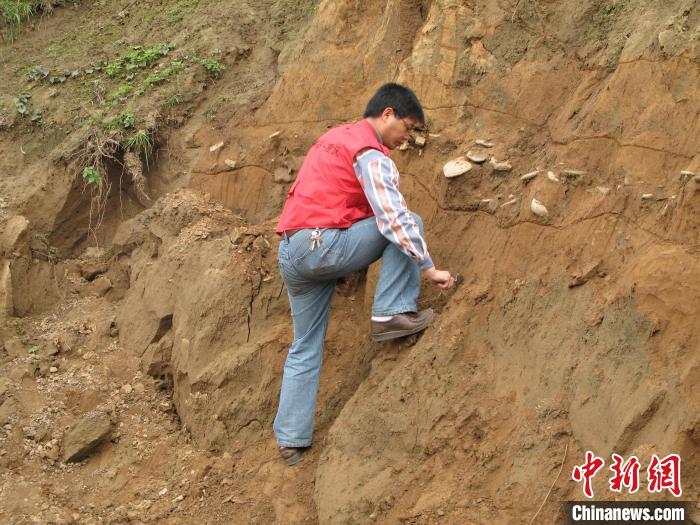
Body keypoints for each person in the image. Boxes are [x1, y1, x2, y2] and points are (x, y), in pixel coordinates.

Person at [273, 83, 455, 465]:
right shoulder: (370, 152)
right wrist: (428, 268)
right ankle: (391, 312)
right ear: (387, 114)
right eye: (407, 127)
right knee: (409, 220)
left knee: (305, 343)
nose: (407, 138)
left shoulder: (334, 138)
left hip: (292, 250)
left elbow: (329, 196)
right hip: (321, 247)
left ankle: (291, 440)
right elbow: (392, 217)